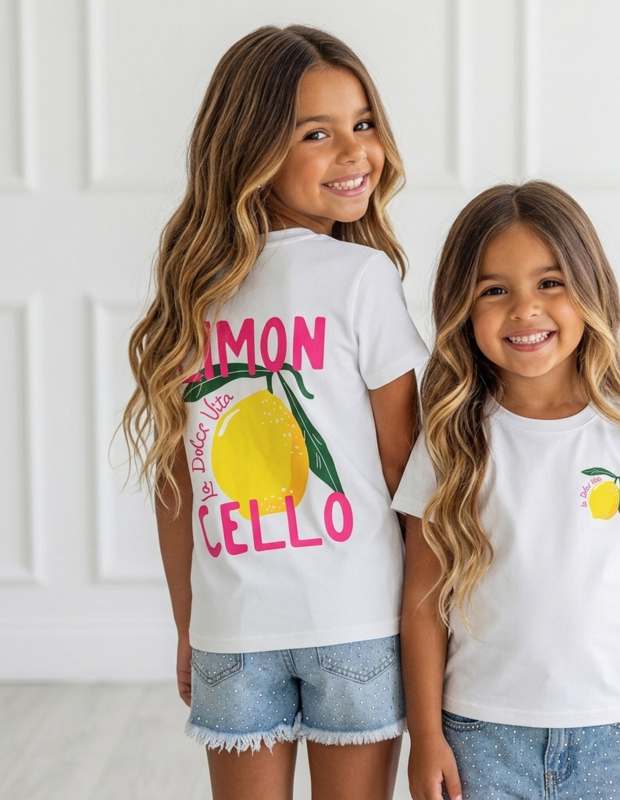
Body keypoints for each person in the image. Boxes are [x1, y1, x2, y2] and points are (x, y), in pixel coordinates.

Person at [123, 24, 428, 800]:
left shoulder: (195, 290)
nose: (356, 152)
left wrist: (190, 623)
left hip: (233, 630)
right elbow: (409, 472)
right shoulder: (362, 278)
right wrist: (435, 626)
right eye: (316, 133)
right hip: (357, 622)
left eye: (363, 124)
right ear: (252, 149)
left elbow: (176, 485)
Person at [393, 181, 620, 800]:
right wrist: (425, 735)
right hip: (477, 734)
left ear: (589, 289)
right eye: (494, 290)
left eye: (549, 283)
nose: (525, 309)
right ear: (462, 308)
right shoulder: (450, 442)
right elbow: (422, 600)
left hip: (610, 735)